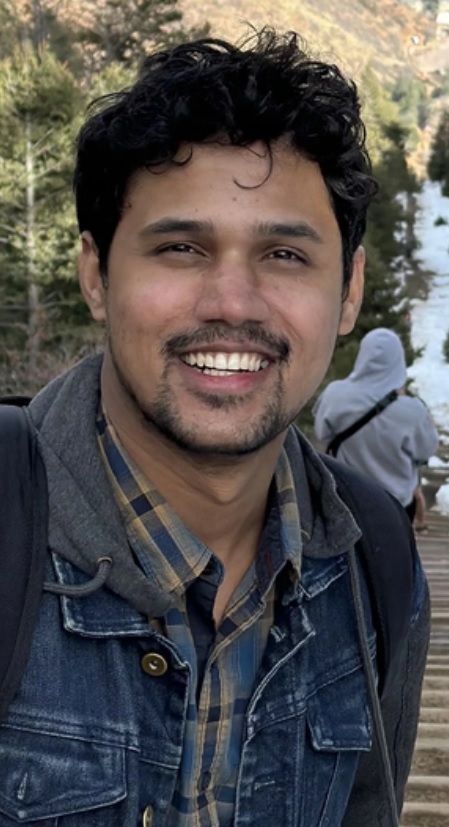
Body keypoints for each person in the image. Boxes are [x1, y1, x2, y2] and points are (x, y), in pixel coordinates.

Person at [0, 30, 430, 827]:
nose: (232, 301)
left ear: (347, 291)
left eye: (285, 255)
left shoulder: (377, 564)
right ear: (96, 275)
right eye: (180, 247)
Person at [313, 327, 439, 522]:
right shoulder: (413, 410)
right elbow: (426, 450)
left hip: (346, 499)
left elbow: (322, 434)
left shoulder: (334, 395)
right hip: (394, 506)